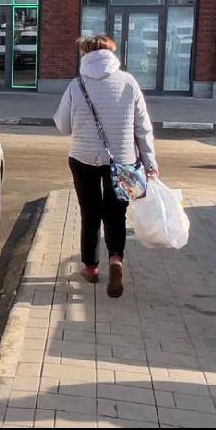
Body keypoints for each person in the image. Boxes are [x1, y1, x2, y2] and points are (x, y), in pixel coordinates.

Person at [53, 35, 159, 299]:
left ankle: (90, 268)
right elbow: (143, 128)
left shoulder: (76, 85)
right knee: (115, 215)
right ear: (112, 54)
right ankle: (115, 261)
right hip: (122, 161)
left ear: (84, 54)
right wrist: (150, 164)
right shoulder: (128, 83)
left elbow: (63, 126)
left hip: (83, 158)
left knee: (90, 214)